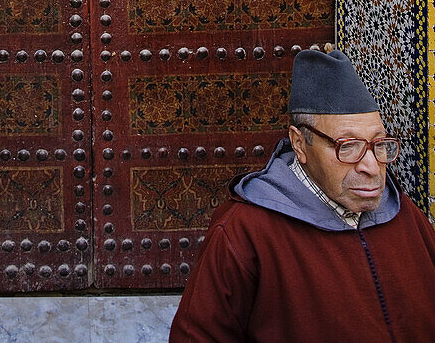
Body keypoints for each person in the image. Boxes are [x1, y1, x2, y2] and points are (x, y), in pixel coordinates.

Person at [169, 48, 435, 341]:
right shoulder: (245, 232)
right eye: (348, 147)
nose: (371, 167)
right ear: (299, 144)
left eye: (379, 144)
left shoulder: (402, 213)